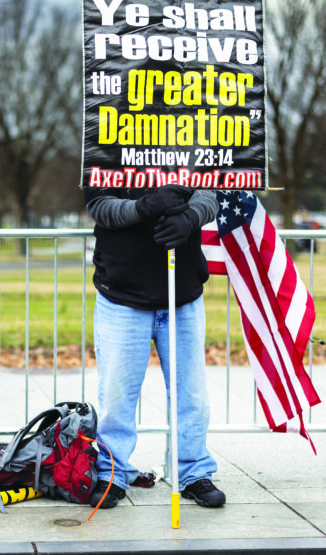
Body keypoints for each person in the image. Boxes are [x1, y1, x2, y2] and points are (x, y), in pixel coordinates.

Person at [84, 183, 226, 509]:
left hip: (182, 294)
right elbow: (100, 206)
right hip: (122, 294)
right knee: (117, 395)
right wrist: (143, 206)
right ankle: (112, 472)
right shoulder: (103, 144)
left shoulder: (188, 139)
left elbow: (209, 192)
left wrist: (190, 217)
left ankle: (192, 471)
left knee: (190, 394)